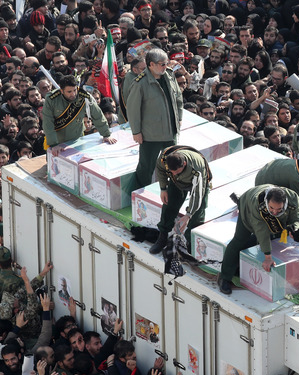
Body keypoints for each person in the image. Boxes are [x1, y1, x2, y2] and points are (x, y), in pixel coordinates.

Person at [218, 185, 299, 295]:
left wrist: (297, 227)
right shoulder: (257, 204)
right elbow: (261, 231)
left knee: (275, 234)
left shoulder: (293, 198)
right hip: (248, 208)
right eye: (272, 208)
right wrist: (268, 257)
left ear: (285, 203)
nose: (274, 212)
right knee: (240, 239)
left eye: (279, 209)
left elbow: (296, 217)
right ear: (267, 201)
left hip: (272, 216)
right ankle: (224, 277)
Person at [126, 48, 183, 198]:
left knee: (174, 165)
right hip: (150, 134)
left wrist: (180, 117)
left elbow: (178, 98)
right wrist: (136, 132)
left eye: (166, 63)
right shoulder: (140, 83)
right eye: (162, 64)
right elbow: (132, 110)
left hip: (170, 131)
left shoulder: (169, 76)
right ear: (151, 64)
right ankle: (139, 197)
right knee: (146, 168)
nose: (165, 67)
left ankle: (174, 193)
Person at [147, 145, 212, 254]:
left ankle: (188, 245)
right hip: (177, 182)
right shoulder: (164, 159)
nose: (174, 173)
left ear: (184, 164)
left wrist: (188, 215)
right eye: (171, 171)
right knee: (169, 205)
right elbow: (160, 170)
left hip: (199, 184)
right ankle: (162, 236)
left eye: (177, 171)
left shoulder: (197, 169)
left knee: (198, 213)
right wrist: (163, 188)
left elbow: (197, 195)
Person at [42, 74, 115, 154]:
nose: (73, 94)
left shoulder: (84, 96)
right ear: (61, 91)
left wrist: (106, 135)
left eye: (75, 90)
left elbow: (97, 115)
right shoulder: (52, 99)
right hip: (57, 140)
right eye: (69, 91)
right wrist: (54, 144)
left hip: (77, 138)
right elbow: (47, 123)